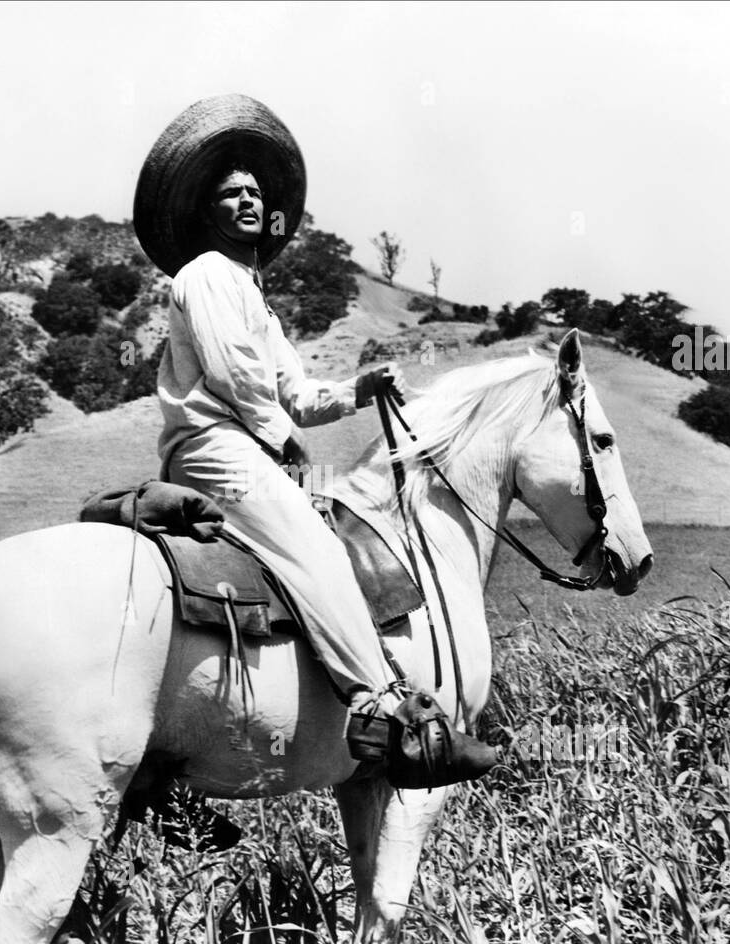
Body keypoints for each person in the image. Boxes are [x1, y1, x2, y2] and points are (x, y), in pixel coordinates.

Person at [133, 95, 497, 790]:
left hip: (244, 440)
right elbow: (234, 377)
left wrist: (357, 388)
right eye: (230, 194)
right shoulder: (206, 275)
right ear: (208, 213)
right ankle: (383, 713)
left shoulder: (250, 292)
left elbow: (293, 389)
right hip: (217, 446)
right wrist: (285, 441)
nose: (246, 201)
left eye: (253, 193)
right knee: (318, 548)